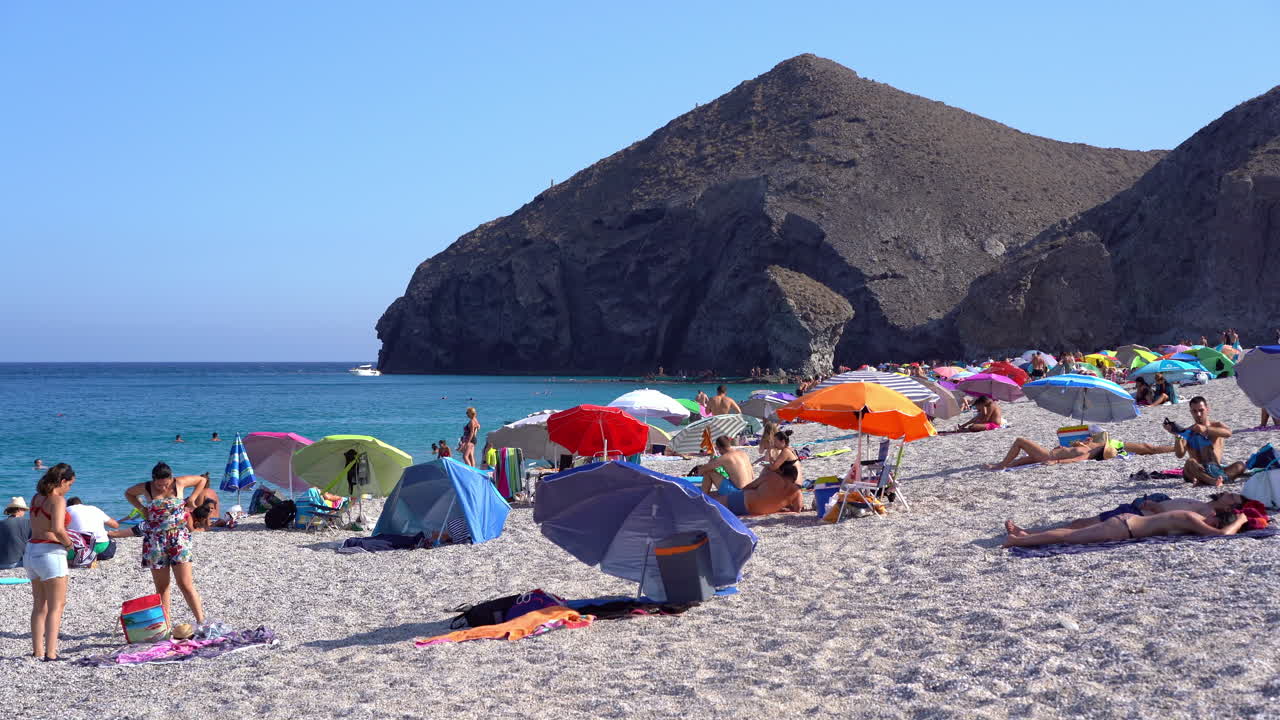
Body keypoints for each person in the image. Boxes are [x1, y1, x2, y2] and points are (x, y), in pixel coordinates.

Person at [124, 462, 207, 625]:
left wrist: (193, 498)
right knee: (162, 587)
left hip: (179, 538)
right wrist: (142, 508)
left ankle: (201, 621)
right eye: (159, 484)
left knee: (185, 584)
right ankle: (166, 625)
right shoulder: (146, 487)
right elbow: (128, 493)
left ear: (171, 478)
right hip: (155, 541)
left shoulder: (180, 483)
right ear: (153, 480)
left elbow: (201, 480)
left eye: (166, 484)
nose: (162, 487)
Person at [26, 463, 76, 661]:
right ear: (62, 482)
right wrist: (71, 545)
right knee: (57, 605)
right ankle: (51, 653)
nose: (69, 489)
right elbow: (57, 529)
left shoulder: (36, 498)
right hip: (50, 553)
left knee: (39, 604)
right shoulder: (58, 500)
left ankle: (37, 651)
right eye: (70, 484)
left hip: (31, 550)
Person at [1002, 508, 1248, 548]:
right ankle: (1018, 541)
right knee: (1070, 537)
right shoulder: (1193, 518)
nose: (1210, 526)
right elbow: (1221, 536)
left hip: (1125, 523)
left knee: (1071, 534)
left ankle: (1026, 534)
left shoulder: (1194, 516)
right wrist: (1241, 521)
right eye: (1213, 522)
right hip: (1124, 528)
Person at [1045, 492, 1244, 530]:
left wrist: (1155, 507)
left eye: (1232, 496)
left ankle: (1031, 535)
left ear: (1229, 507)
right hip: (1140, 510)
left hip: (1140, 517)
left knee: (1081, 525)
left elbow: (1174, 520)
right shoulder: (1205, 506)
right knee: (1081, 523)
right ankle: (1033, 534)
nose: (1227, 492)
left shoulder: (1206, 516)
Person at [1168, 397, 1246, 486]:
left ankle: (1207, 480)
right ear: (1191, 412)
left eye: (1201, 410)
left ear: (1207, 409)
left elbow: (1228, 433)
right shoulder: (1188, 431)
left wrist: (1206, 429)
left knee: (1240, 465)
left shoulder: (1217, 425)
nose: (1198, 414)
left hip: (1215, 469)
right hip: (1196, 468)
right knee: (1190, 462)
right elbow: (1179, 454)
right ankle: (1212, 481)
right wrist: (1177, 438)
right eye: (1194, 411)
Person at [984, 435, 1114, 470]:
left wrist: (1057, 461)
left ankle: (1001, 465)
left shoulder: (1090, 453)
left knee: (1020, 441)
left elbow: (1076, 460)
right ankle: (1003, 466)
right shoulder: (1088, 447)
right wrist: (1080, 444)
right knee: (1017, 463)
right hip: (1047, 454)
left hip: (1047, 456)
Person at [699, 436, 755, 514]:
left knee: (709, 472)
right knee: (717, 488)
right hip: (750, 490)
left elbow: (701, 470)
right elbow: (752, 475)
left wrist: (711, 461)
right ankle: (705, 495)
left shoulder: (725, 457)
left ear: (719, 448)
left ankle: (701, 500)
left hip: (738, 494)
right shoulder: (743, 453)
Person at [66, 497, 118, 563]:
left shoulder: (66, 510)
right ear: (81, 504)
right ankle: (92, 556)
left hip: (76, 550)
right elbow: (115, 525)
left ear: (68, 505)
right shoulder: (94, 508)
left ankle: (82, 557)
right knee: (110, 539)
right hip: (101, 549)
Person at [1, 498, 31, 570]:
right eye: (23, 510)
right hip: (17, 564)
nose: (24, 512)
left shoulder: (1, 523)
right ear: (19, 509)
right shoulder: (28, 523)